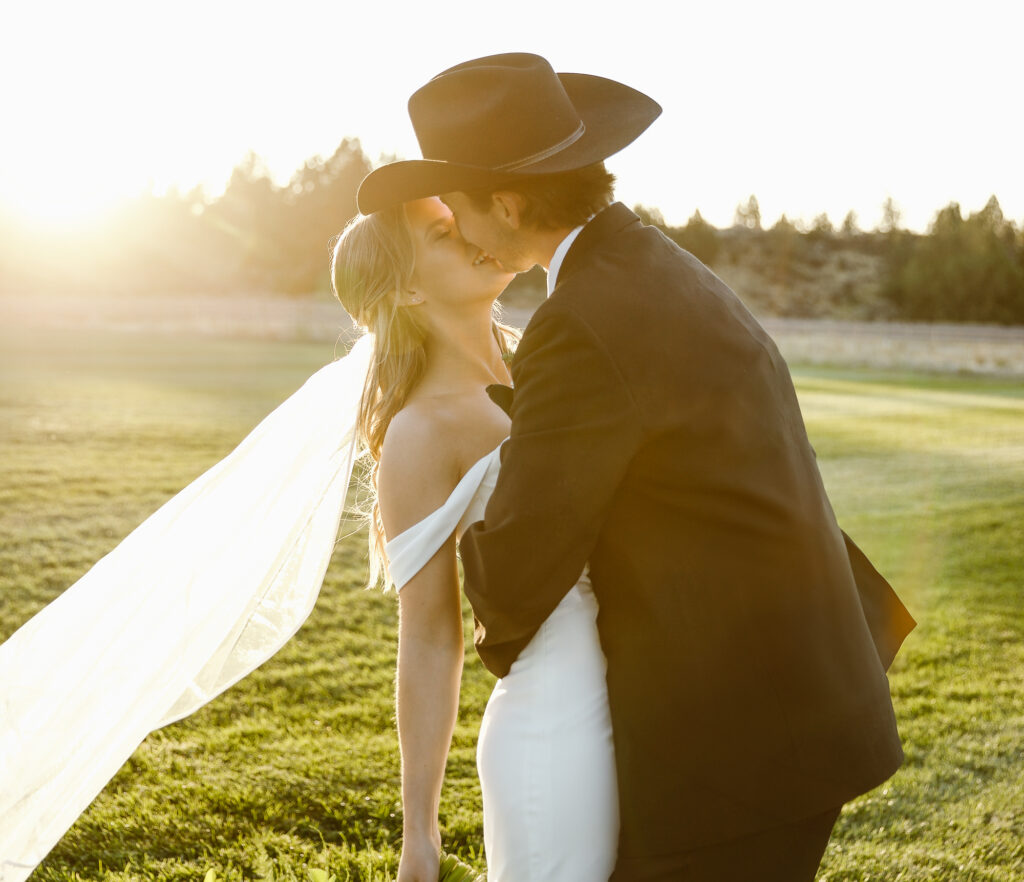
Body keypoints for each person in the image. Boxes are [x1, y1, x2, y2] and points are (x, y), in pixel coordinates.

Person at [355, 52, 917, 881]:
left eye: (460, 214)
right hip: (791, 695)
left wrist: (477, 532)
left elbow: (514, 584)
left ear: (508, 205)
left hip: (745, 735)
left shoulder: (583, 320)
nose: (467, 238)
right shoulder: (650, 265)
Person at [331, 197, 619, 882]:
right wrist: (419, 835)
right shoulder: (421, 433)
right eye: (443, 233)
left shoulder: (553, 357)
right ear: (405, 287)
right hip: (557, 728)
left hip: (649, 697)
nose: (475, 236)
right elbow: (431, 634)